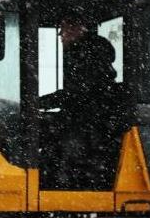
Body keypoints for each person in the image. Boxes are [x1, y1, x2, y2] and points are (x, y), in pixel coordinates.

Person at [41, 17, 126, 189]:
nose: (60, 34)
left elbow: (78, 93)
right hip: (88, 118)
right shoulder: (83, 53)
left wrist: (35, 103)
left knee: (54, 142)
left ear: (77, 29)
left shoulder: (88, 54)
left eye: (64, 29)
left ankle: (61, 185)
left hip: (92, 124)